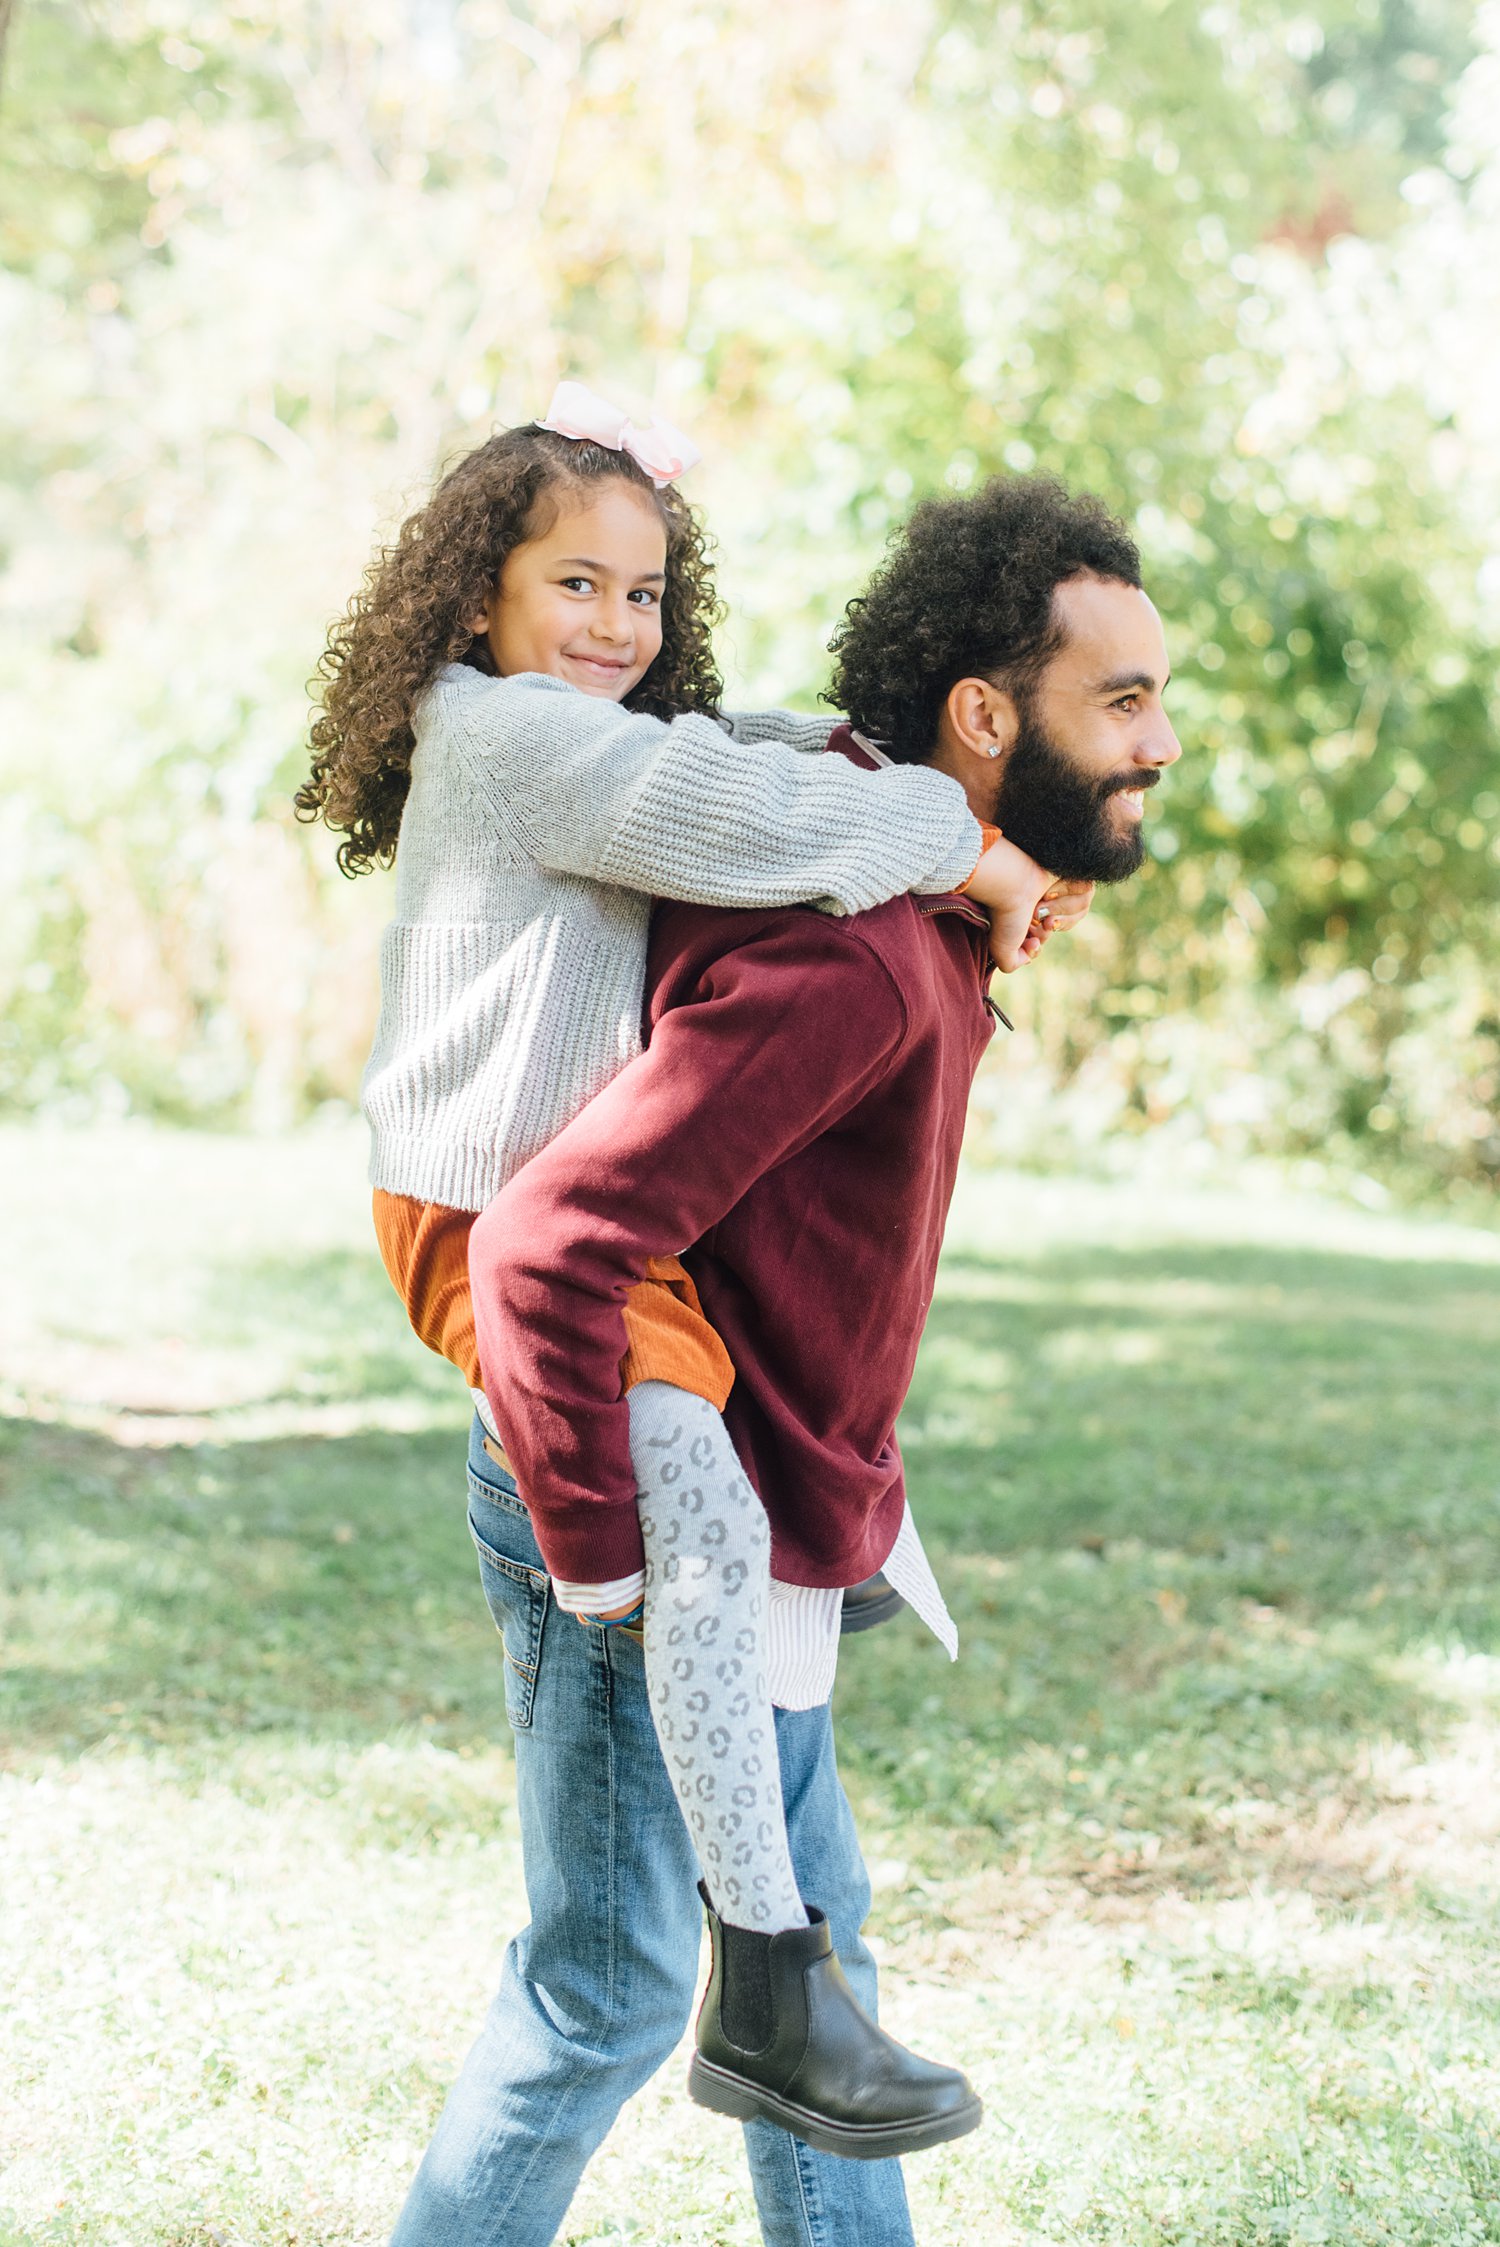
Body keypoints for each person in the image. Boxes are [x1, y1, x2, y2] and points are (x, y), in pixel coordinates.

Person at [295, 386, 1091, 2161]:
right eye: (576, 584)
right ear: (474, 594)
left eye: (644, 597)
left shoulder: (584, 736)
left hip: (596, 1232)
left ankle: (793, 1915)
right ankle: (769, 1985)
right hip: (494, 1229)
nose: (615, 628)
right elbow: (742, 822)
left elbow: (738, 757)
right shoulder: (507, 740)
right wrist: (968, 846)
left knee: (744, 1557)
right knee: (702, 1563)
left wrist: (857, 758)